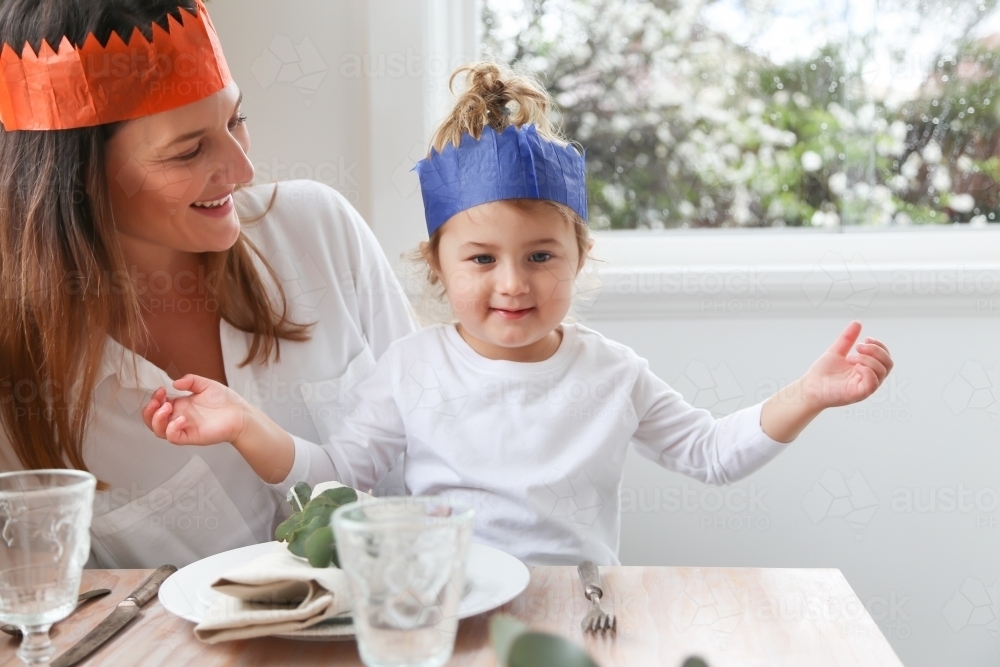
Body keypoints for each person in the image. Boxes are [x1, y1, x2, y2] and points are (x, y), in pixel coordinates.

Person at [143, 62, 894, 565]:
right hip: (452, 609)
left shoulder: (613, 372)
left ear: (578, 257)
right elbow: (337, 479)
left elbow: (710, 451)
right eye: (480, 259)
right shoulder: (411, 368)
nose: (513, 283)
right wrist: (246, 423)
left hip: (584, 611)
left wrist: (811, 393)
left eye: (541, 255)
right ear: (437, 265)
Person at [0, 0, 414, 569]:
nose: (242, 170)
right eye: (189, 150)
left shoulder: (317, 228)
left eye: (235, 119)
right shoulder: (20, 379)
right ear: (79, 180)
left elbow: (441, 447)